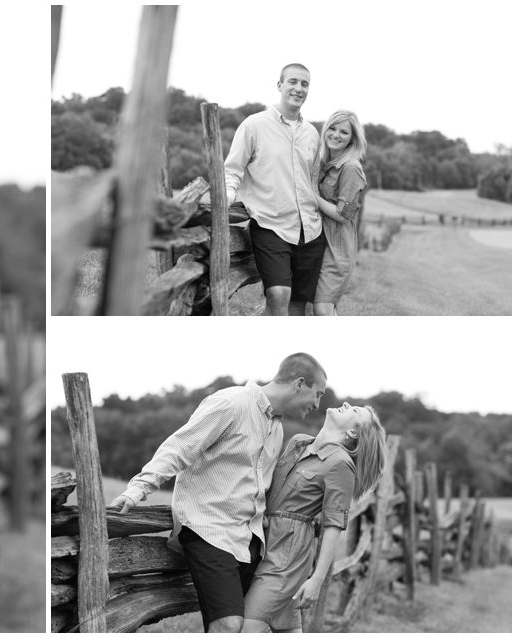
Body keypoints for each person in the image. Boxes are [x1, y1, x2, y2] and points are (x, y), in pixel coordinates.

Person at [110, 354, 328, 633]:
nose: (317, 404)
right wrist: (139, 488)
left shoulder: (277, 427)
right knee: (228, 625)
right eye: (317, 394)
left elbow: (263, 485)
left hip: (249, 538)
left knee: (253, 624)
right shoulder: (232, 403)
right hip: (209, 529)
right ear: (299, 384)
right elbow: (180, 447)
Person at [241, 403, 387, 632]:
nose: (347, 404)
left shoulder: (340, 464)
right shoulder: (298, 442)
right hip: (260, 544)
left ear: (353, 433)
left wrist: (316, 580)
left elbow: (334, 526)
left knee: (247, 626)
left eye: (355, 411)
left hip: (286, 557)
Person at [224, 64, 325, 316]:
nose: (298, 88)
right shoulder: (254, 125)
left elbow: (315, 181)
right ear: (279, 85)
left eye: (305, 84)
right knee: (278, 295)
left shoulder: (312, 134)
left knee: (299, 306)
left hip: (309, 230)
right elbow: (232, 169)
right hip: (271, 225)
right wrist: (225, 196)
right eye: (293, 81)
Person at [312, 110, 368, 316]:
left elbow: (343, 214)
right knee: (319, 308)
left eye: (344, 132)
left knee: (323, 308)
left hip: (338, 248)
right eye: (332, 128)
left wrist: (312, 195)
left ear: (352, 139)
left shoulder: (351, 167)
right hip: (315, 241)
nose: (336, 135)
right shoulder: (319, 162)